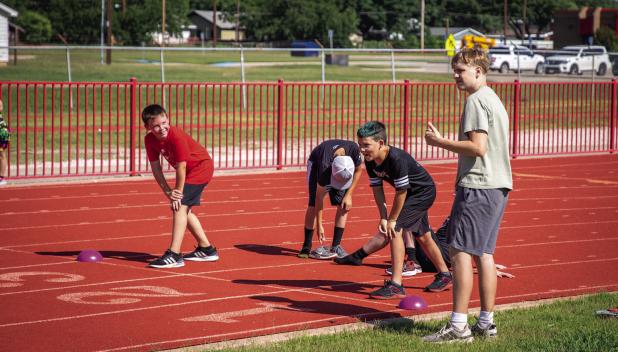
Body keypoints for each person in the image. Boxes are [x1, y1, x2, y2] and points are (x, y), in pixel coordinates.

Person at [423, 47, 513, 343]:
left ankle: (458, 326)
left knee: (459, 252)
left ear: (478, 70)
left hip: (479, 185)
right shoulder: (493, 99)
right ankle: (486, 323)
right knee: (484, 254)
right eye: (454, 69)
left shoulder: (475, 100)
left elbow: (478, 148)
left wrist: (440, 142)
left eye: (460, 70)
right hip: (498, 184)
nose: (455, 75)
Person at [343, 121, 452, 299]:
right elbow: (377, 189)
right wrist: (383, 217)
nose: (362, 150)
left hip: (422, 192)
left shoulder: (396, 158)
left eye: (367, 145)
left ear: (381, 143)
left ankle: (396, 285)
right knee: (423, 235)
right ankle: (445, 275)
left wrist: (392, 220)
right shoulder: (370, 161)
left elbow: (401, 192)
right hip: (410, 194)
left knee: (395, 230)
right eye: (360, 145)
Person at [142, 104, 219, 268]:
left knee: (179, 206)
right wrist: (168, 192)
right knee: (183, 208)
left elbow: (181, 167)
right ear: (147, 127)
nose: (162, 128)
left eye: (164, 122)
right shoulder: (149, 140)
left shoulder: (176, 135)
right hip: (188, 171)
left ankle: (175, 254)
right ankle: (207, 249)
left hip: (201, 167)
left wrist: (177, 192)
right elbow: (156, 168)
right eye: (156, 126)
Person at [298, 139, 363, 260]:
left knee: (344, 205)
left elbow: (359, 170)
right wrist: (320, 225)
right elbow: (319, 198)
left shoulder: (354, 149)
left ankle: (336, 245)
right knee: (312, 204)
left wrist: (349, 195)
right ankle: (306, 245)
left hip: (341, 170)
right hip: (316, 164)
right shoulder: (324, 167)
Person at [0, 99, 10, 186]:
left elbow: (0, 107)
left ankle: (1, 178)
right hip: (3, 132)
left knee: (2, 154)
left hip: (1, 133)